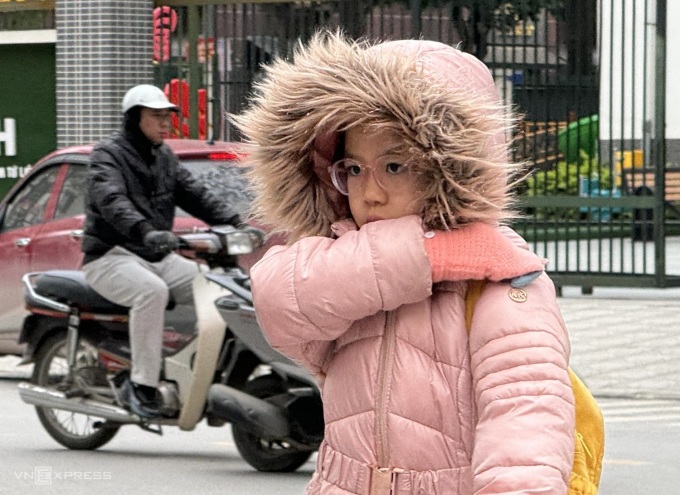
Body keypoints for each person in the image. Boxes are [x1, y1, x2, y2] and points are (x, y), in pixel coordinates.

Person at [234, 32, 576, 494]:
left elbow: (524, 427)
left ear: (449, 170)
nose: (369, 192)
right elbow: (278, 300)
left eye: (395, 166)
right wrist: (426, 253)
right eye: (353, 169)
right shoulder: (344, 261)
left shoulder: (501, 275)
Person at [81, 84, 243, 419]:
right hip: (111, 255)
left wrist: (236, 221)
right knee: (151, 293)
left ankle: (191, 368)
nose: (165, 123)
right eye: (156, 116)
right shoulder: (107, 155)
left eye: (168, 116)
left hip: (155, 256)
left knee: (214, 286)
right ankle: (142, 384)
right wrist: (145, 231)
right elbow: (112, 200)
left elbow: (195, 193)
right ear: (133, 118)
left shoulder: (164, 157)